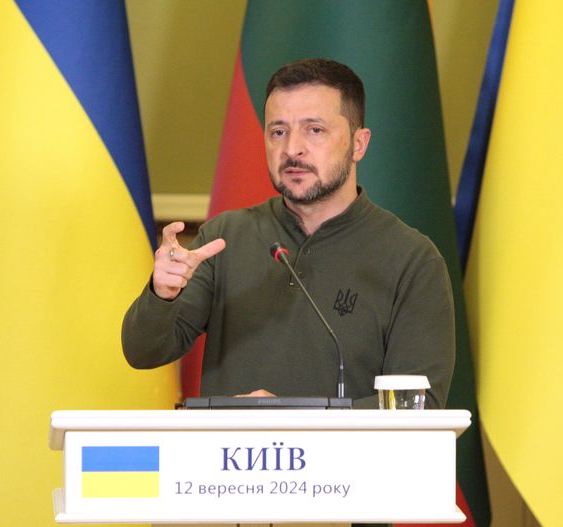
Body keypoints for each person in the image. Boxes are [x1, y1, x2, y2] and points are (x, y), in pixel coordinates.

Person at [122, 58, 455, 408]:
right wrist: (163, 294)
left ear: (359, 144)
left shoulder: (412, 259)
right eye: (278, 131)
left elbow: (418, 405)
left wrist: (293, 421)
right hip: (233, 461)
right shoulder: (224, 238)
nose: (292, 149)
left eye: (315, 130)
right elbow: (143, 351)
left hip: (353, 464)